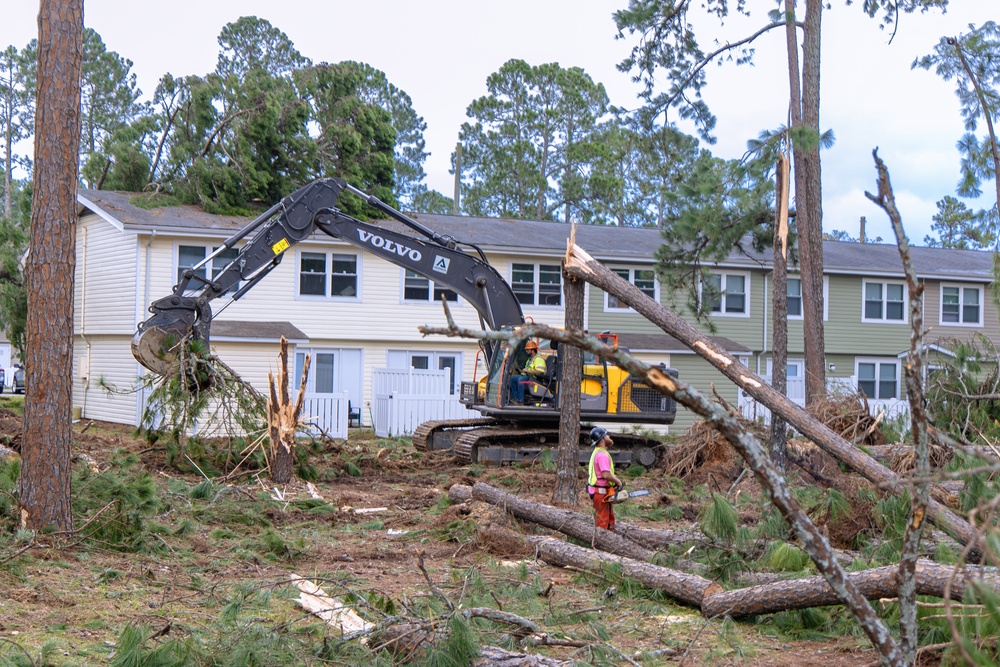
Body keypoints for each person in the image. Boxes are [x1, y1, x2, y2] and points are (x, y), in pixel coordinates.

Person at [587, 426, 623, 531]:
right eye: (607, 435)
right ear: (602, 439)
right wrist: (618, 482)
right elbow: (606, 475)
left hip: (602, 491)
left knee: (609, 521)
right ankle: (600, 544)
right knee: (602, 523)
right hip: (600, 492)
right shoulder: (602, 455)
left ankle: (608, 543)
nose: (609, 436)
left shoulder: (598, 452)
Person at [508, 340, 546, 404]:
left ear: (532, 350)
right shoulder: (530, 359)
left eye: (527, 350)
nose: (526, 351)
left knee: (521, 380)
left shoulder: (539, 359)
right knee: (513, 378)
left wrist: (528, 371)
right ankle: (514, 398)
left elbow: (540, 372)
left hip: (534, 378)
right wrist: (522, 370)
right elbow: (528, 369)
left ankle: (520, 400)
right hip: (527, 376)